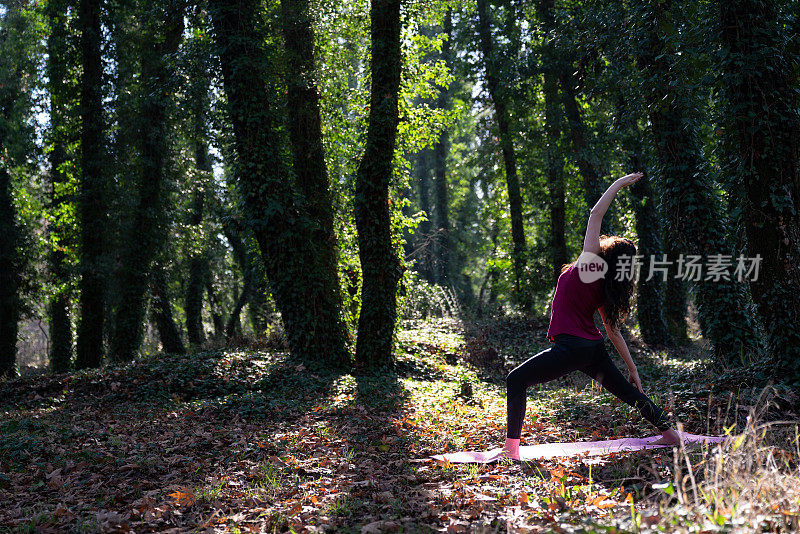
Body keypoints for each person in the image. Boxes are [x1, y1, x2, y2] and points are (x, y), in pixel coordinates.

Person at [496, 172, 681, 462]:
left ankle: (511, 450)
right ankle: (669, 434)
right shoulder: (606, 285)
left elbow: (596, 213)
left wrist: (619, 183)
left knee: (515, 380)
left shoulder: (591, 263)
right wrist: (632, 369)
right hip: (591, 349)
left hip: (571, 348)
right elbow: (612, 330)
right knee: (627, 392)